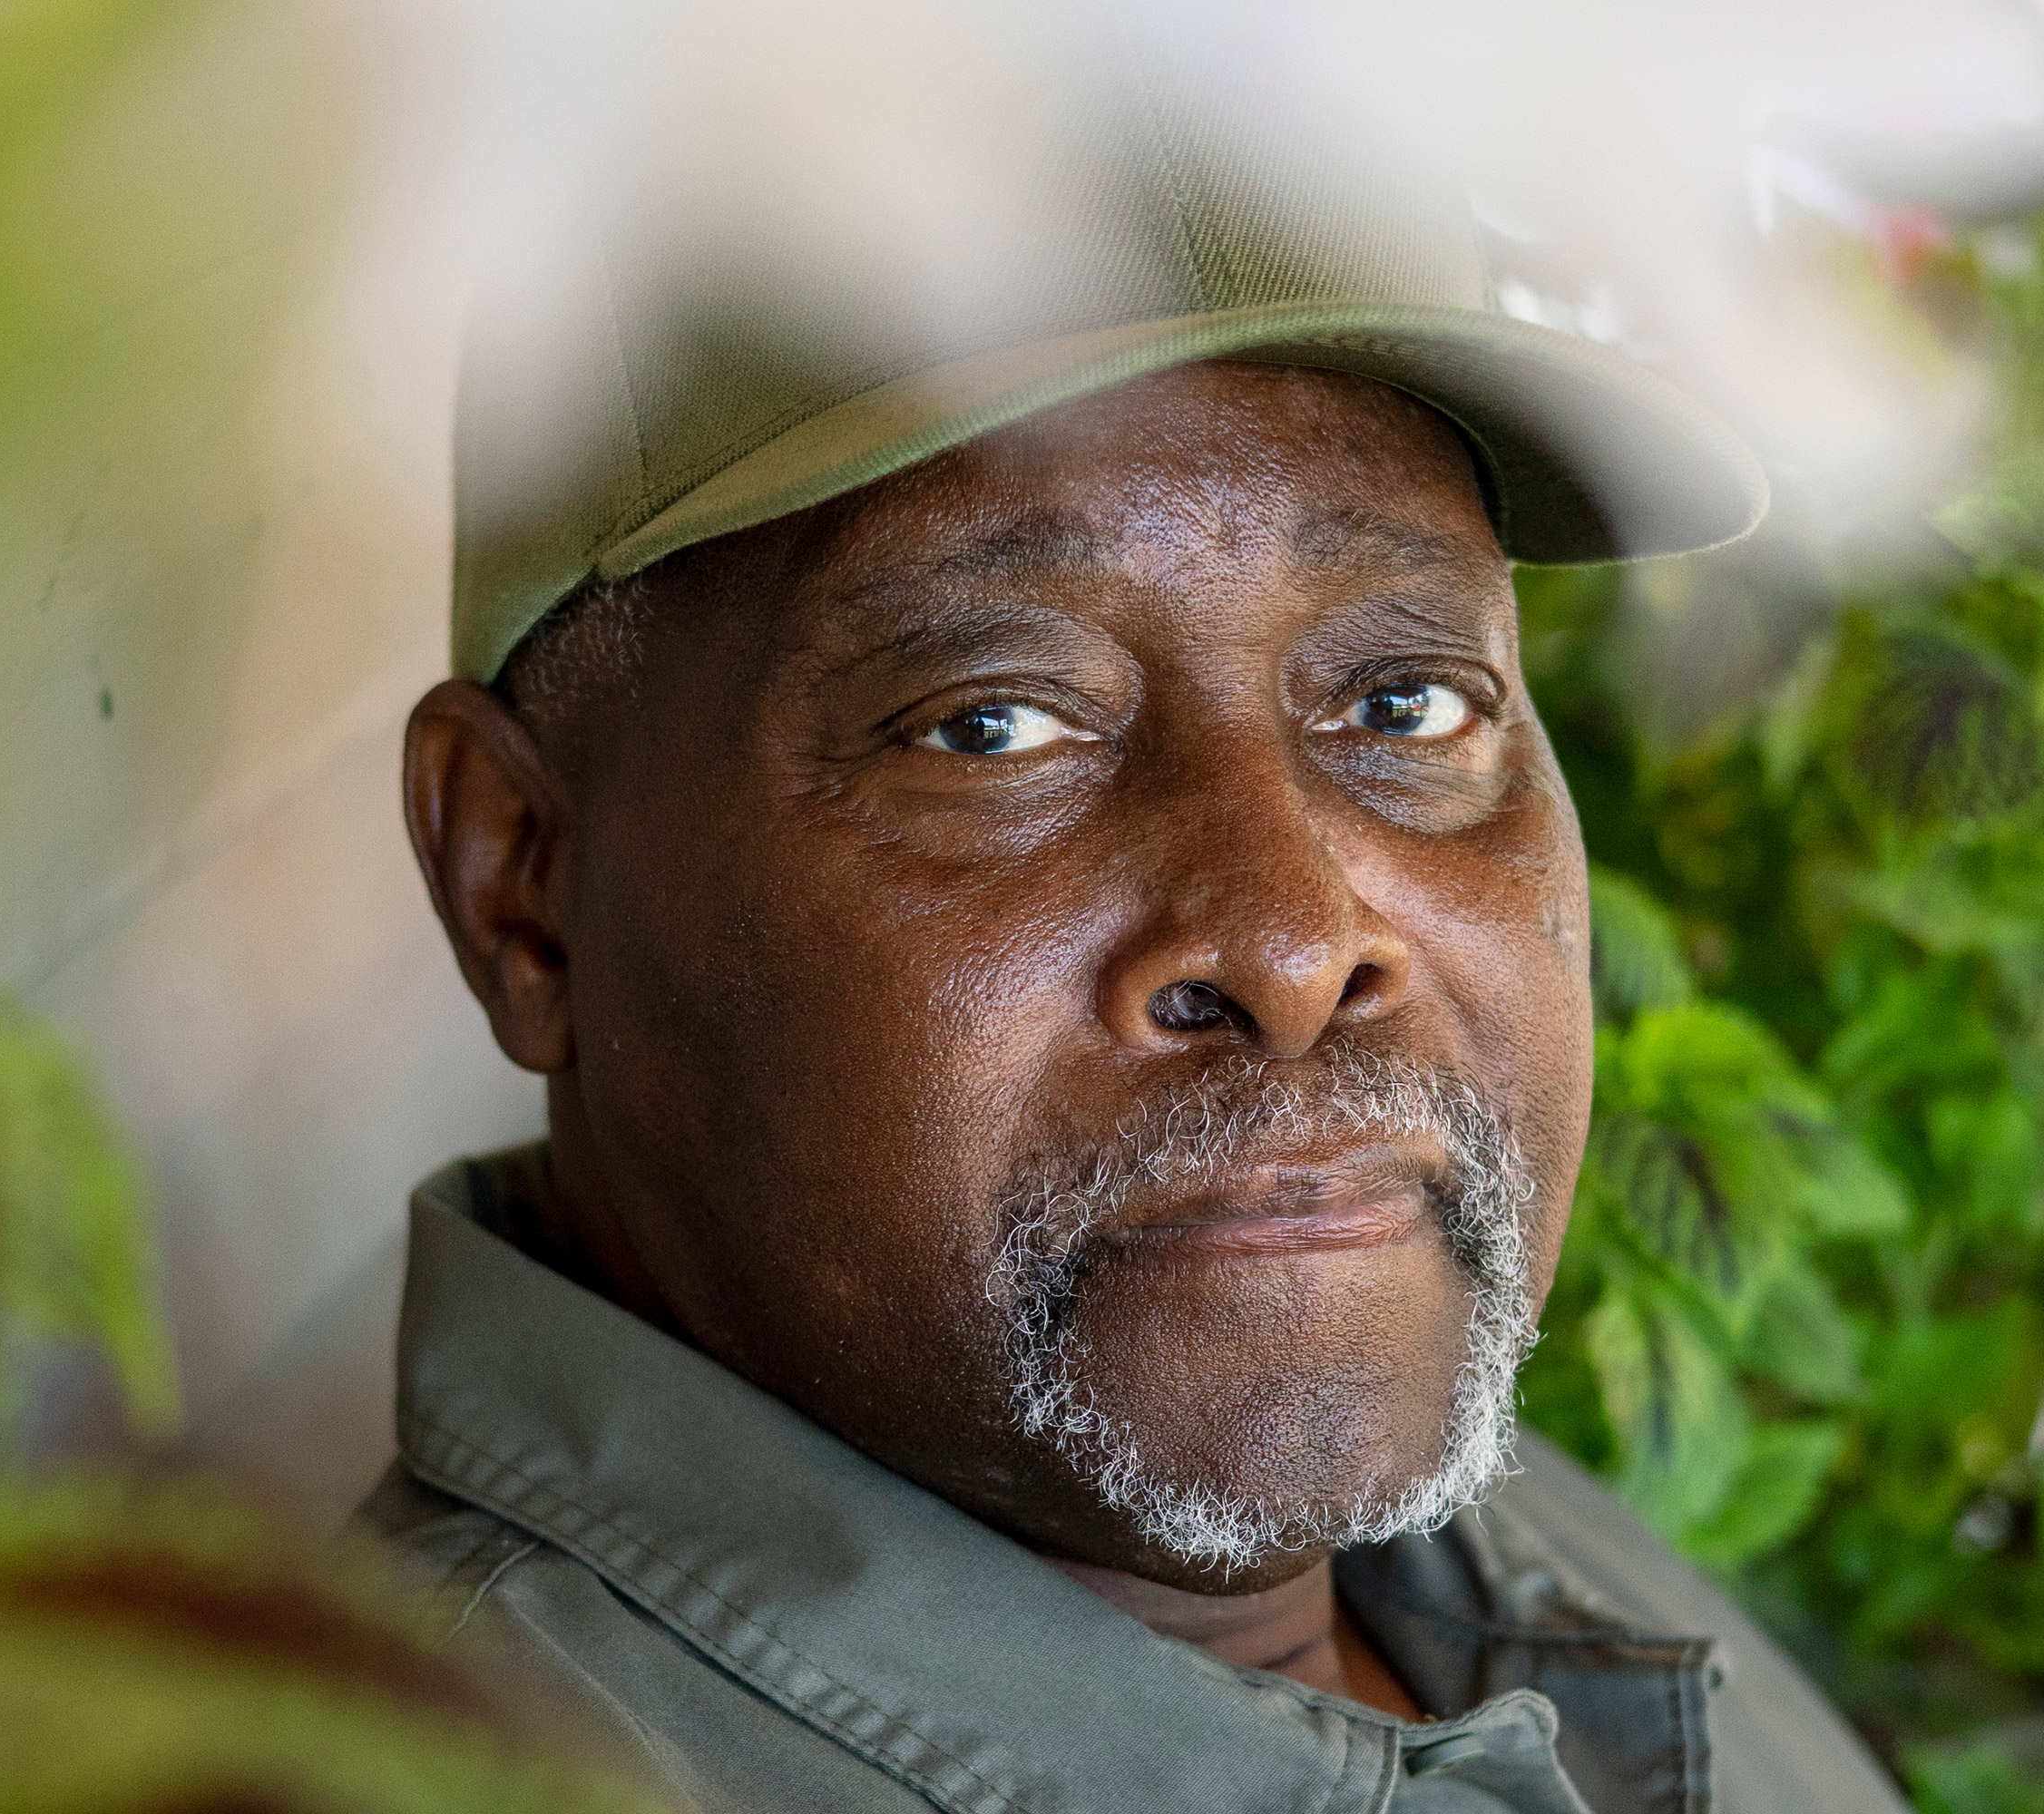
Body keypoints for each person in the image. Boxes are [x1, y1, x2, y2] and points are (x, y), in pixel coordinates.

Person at [363, 108, 1908, 1814]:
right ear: (524, 886)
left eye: (1405, 700)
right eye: (994, 724)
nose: (1302, 944)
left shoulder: (1424, 1508)